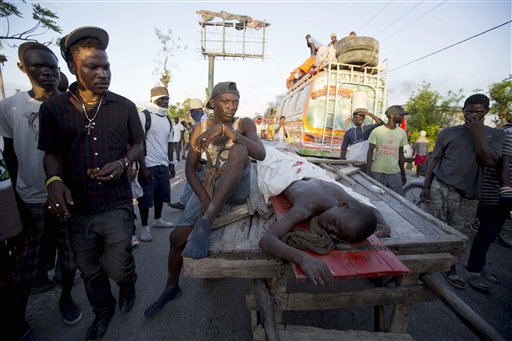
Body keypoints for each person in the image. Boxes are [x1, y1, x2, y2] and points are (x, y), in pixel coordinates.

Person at [38, 26, 145, 340]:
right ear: (73, 68)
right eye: (92, 67)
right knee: (90, 270)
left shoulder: (125, 107)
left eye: (106, 66)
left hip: (117, 203)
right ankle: (103, 312)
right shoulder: (53, 109)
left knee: (119, 265)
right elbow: (51, 154)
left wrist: (124, 162)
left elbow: (138, 145)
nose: (103, 73)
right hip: (78, 209)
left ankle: (128, 285)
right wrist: (54, 182)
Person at [144, 81, 265, 317]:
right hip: (211, 184)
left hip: (238, 187)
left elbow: (260, 153)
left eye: (235, 101)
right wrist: (204, 199)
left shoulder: (245, 123)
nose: (232, 106)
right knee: (177, 237)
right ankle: (171, 286)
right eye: (226, 101)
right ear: (212, 103)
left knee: (239, 151)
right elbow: (190, 169)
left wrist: (227, 132)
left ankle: (207, 221)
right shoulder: (200, 128)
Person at [0, 42, 82, 326]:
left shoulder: (72, 105)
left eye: (51, 66)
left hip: (68, 198)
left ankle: (66, 298)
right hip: (30, 199)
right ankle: (18, 320)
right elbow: (9, 156)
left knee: (69, 259)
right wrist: (15, 203)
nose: (46, 72)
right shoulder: (9, 107)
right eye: (37, 66)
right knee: (25, 265)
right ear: (22, 68)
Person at [420, 94, 504, 290]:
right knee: (434, 228)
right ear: (462, 111)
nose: (473, 116)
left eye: (479, 112)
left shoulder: (495, 135)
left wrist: (477, 133)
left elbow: (489, 161)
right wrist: (426, 185)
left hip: (469, 194)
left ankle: (450, 268)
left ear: (487, 113)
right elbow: (435, 159)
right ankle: (426, 268)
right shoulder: (449, 132)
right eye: (469, 112)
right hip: (441, 186)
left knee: (459, 235)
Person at [466, 121, 512, 293]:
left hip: (504, 192)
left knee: (491, 233)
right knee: (487, 232)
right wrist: (506, 190)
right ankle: (474, 270)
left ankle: (478, 265)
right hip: (495, 192)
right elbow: (503, 164)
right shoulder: (508, 134)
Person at [0, 149, 36, 340]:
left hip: (11, 222)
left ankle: (16, 325)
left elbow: (6, 173)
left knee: (15, 278)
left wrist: (19, 216)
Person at [137, 86, 175, 242]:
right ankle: (145, 228)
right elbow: (137, 143)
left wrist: (171, 164)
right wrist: (142, 167)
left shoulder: (167, 119)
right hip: (148, 165)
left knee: (161, 195)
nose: (166, 102)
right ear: (153, 100)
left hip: (163, 165)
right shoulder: (144, 116)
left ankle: (158, 220)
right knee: (146, 198)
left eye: (167, 99)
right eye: (162, 99)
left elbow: (170, 142)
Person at [168, 98, 209, 210]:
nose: (191, 114)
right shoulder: (202, 120)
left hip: (204, 159)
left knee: (193, 180)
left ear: (197, 110)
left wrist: (198, 160)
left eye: (192, 112)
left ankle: (186, 204)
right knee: (193, 182)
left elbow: (203, 142)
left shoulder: (203, 122)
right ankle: (184, 202)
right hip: (203, 159)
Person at [366, 106, 409, 195]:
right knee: (376, 197)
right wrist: (368, 170)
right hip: (377, 171)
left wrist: (403, 173)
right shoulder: (377, 131)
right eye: (400, 115)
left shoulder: (402, 133)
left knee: (398, 198)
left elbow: (401, 154)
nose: (403, 117)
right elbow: (370, 151)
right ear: (392, 115)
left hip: (395, 172)